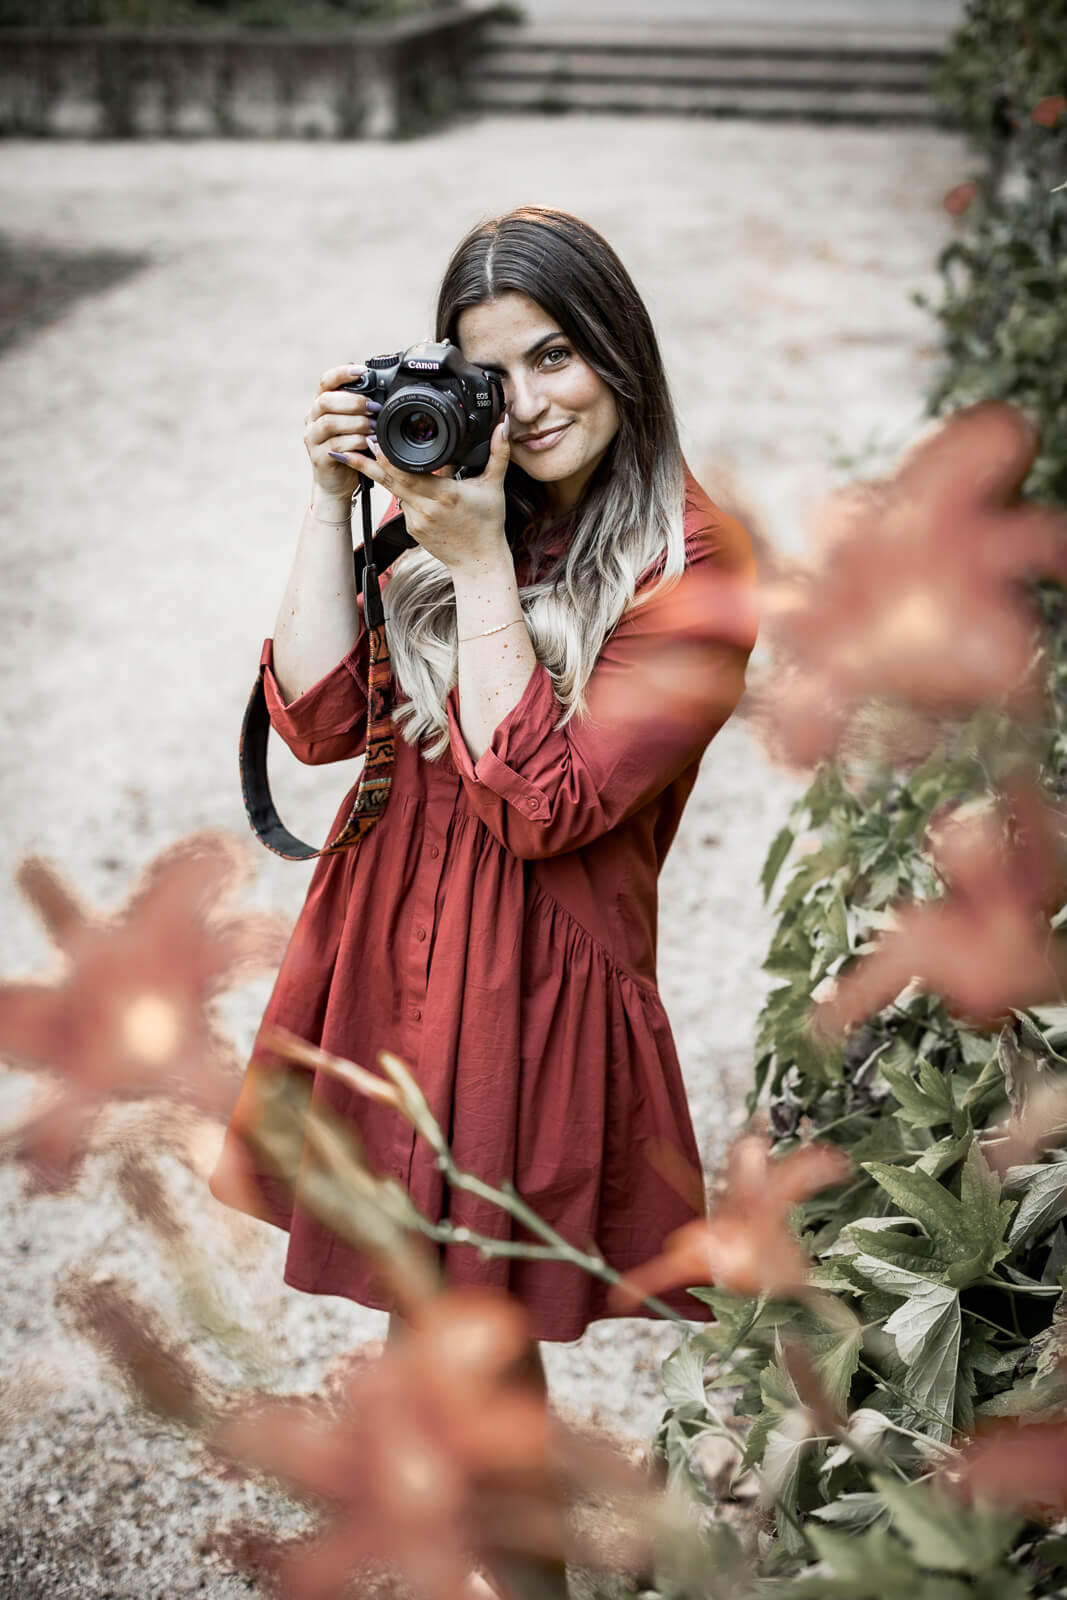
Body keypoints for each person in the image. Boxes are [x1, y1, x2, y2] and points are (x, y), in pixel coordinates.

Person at [211, 205, 757, 1358]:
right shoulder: (463, 486)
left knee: (463, 1345)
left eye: (554, 353)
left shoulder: (691, 565)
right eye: (489, 372)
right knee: (439, 1339)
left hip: (522, 989)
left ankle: (476, 1539)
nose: (530, 401)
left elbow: (540, 803)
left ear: (620, 353)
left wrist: (474, 565)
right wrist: (329, 497)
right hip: (382, 946)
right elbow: (313, 723)